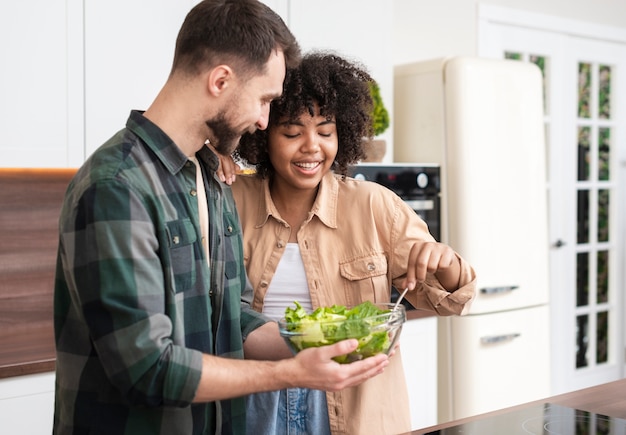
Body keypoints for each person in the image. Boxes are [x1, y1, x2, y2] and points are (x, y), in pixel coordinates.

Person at [52, 3, 390, 435]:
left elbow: (237, 319)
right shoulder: (117, 186)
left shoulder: (211, 177)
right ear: (221, 81)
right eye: (265, 99)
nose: (263, 120)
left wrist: (324, 344)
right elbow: (146, 368)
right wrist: (292, 374)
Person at [219, 52, 477, 435]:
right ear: (263, 133)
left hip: (355, 409)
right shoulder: (231, 199)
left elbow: (455, 298)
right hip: (258, 401)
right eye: (292, 132)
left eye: (325, 132)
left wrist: (445, 261)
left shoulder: (374, 205)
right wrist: (210, 156)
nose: (312, 147)